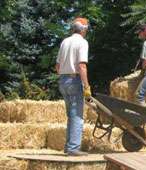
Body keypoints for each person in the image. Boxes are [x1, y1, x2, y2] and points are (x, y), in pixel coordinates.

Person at [55, 17, 91, 156]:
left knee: (71, 115)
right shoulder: (82, 42)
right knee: (77, 116)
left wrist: (65, 72)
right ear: (83, 29)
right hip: (74, 80)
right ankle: (73, 148)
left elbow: (57, 66)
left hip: (63, 80)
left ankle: (68, 146)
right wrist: (86, 86)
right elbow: (82, 66)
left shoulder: (65, 41)